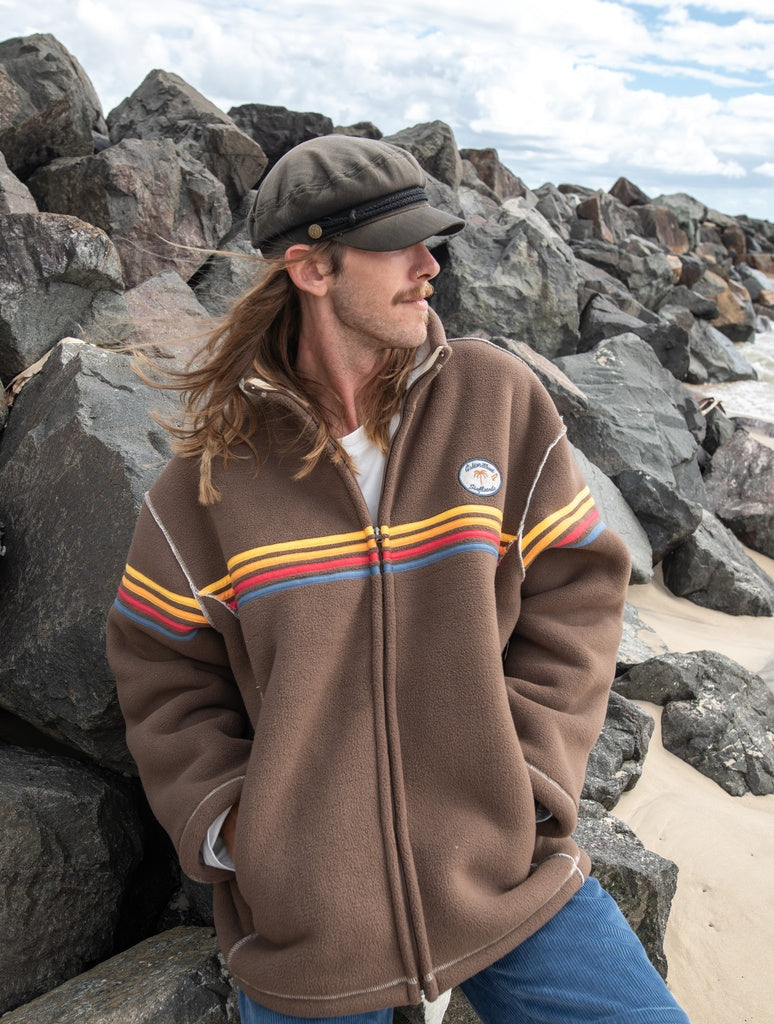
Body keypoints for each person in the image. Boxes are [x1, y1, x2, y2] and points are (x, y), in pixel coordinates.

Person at [107, 135, 689, 1024]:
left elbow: (579, 588)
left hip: (508, 878)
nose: (430, 266)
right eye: (398, 244)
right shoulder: (208, 485)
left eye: (432, 240)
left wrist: (533, 777)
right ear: (311, 268)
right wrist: (239, 834)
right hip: (315, 932)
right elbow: (159, 669)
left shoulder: (496, 401)